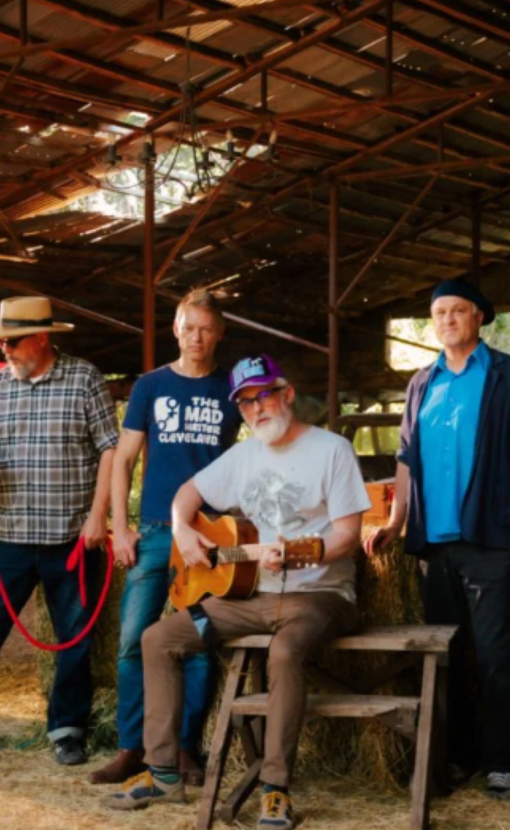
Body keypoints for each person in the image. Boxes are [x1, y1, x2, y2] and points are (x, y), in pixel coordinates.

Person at [105, 354, 370, 830]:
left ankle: (275, 791)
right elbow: (186, 492)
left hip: (320, 597)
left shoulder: (332, 450)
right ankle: (164, 773)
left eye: (263, 395)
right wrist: (184, 529)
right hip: (249, 602)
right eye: (245, 402)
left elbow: (349, 535)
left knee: (285, 653)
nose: (255, 409)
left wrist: (299, 555)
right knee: (158, 639)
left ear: (286, 394)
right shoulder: (243, 457)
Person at [365, 278, 510, 801]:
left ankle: (501, 762)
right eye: (439, 312)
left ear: (479, 317)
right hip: (434, 544)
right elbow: (406, 460)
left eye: (457, 311)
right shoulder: (421, 383)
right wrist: (396, 523)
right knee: (445, 656)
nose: (447, 319)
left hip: (491, 536)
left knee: (495, 654)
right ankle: (456, 758)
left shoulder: (509, 376)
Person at [0, 296, 117, 767]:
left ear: (43, 337)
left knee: (74, 638)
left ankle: (67, 731)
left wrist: (99, 516)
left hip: (71, 538)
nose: (4, 349)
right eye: (1, 341)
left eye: (11, 341)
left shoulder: (84, 379)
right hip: (8, 538)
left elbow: (111, 451)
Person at [89, 290, 242, 786]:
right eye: (189, 327)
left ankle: (182, 748)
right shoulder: (151, 387)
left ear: (219, 334)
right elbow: (123, 460)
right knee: (133, 642)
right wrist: (120, 527)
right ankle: (132, 747)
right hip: (155, 531)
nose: (197, 337)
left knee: (197, 642)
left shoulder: (231, 389)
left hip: (208, 534)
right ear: (175, 330)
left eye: (207, 329)